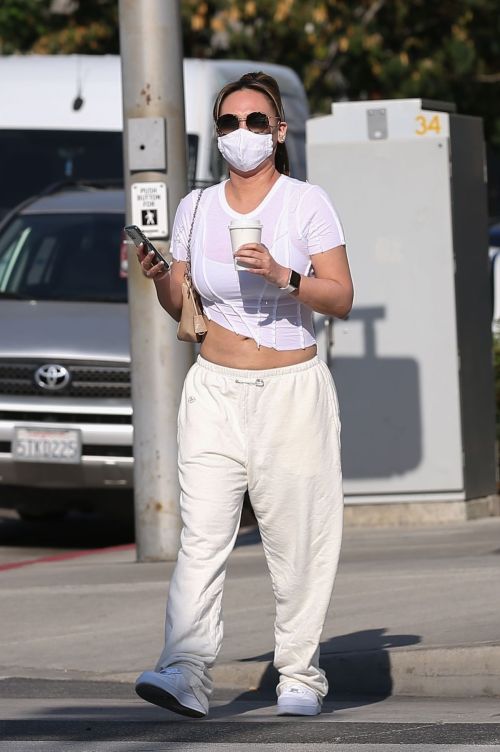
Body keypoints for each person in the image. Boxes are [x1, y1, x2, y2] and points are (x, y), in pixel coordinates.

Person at [134, 71, 353, 718]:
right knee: (201, 536)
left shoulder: (304, 203)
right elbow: (182, 299)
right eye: (229, 122)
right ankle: (185, 670)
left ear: (279, 132)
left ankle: (299, 674)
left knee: (297, 539)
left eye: (256, 122)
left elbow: (340, 295)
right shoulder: (196, 207)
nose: (242, 134)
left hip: (291, 389)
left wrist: (284, 275)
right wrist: (158, 279)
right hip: (214, 388)